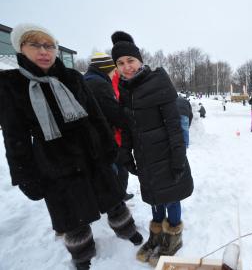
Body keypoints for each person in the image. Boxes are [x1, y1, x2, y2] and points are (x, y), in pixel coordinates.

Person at [0, 23, 142, 270]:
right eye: (35, 45)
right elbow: (15, 136)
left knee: (113, 199)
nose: (44, 51)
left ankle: (126, 230)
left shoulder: (72, 77)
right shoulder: (11, 85)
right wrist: (24, 175)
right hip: (53, 163)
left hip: (92, 153)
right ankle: (82, 252)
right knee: (71, 216)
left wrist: (109, 146)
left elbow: (95, 115)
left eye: (49, 45)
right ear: (20, 48)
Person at [111, 31, 194, 266]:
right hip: (145, 157)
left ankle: (173, 237)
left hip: (167, 155)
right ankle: (157, 234)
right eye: (121, 63)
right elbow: (126, 127)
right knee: (154, 198)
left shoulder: (158, 82)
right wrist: (125, 153)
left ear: (140, 60)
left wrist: (178, 157)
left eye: (131, 61)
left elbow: (174, 126)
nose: (127, 67)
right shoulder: (126, 90)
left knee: (171, 197)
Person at [83, 52, 134, 201]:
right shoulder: (100, 85)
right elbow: (115, 114)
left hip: (92, 137)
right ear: (106, 69)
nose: (114, 74)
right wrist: (128, 118)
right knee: (120, 169)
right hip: (103, 137)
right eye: (113, 70)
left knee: (107, 171)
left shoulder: (86, 80)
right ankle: (117, 199)